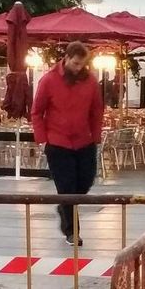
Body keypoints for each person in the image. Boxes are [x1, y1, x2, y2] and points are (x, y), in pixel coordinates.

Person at [31, 41, 103, 245]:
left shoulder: (91, 82)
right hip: (58, 143)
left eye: (83, 64)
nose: (79, 68)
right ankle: (72, 231)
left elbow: (97, 110)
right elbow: (37, 112)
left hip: (84, 141)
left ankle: (64, 207)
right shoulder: (49, 80)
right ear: (67, 58)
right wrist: (42, 139)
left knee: (86, 181)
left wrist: (95, 137)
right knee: (67, 188)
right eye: (76, 63)